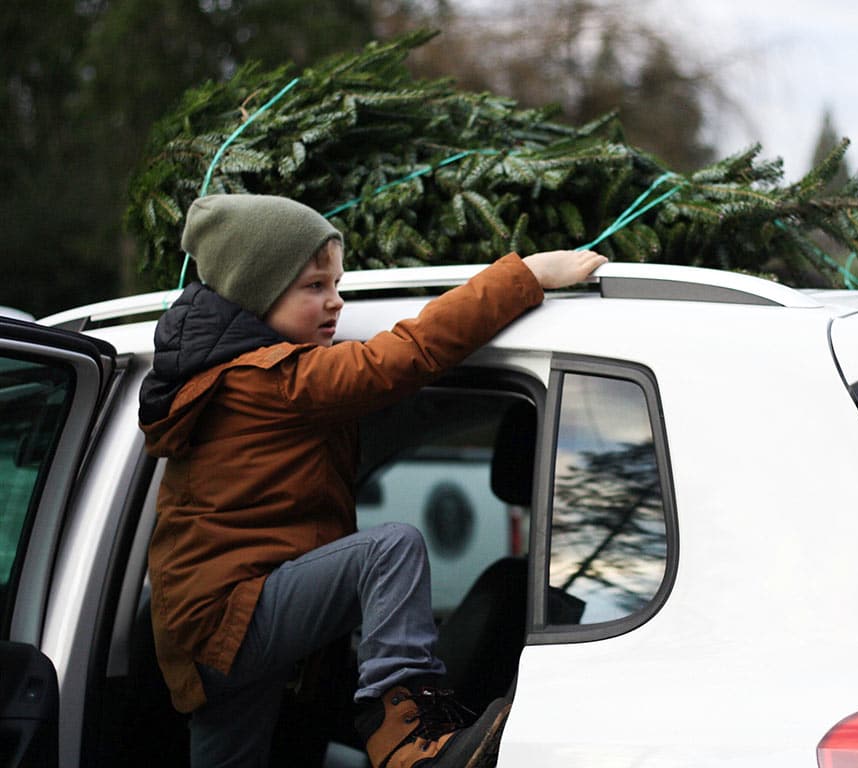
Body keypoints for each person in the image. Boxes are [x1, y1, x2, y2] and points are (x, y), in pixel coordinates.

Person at [138, 194, 607, 768]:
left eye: (337, 283)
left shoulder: (243, 384)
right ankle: (406, 737)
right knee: (388, 551)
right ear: (258, 290)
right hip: (234, 619)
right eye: (314, 286)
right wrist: (526, 275)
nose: (336, 300)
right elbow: (402, 356)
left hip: (209, 630)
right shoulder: (270, 381)